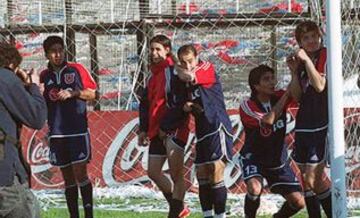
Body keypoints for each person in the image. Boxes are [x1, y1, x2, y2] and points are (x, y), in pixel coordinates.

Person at [40, 36, 97, 218]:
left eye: (60, 50)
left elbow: (93, 94)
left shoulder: (76, 69)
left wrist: (74, 93)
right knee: (67, 178)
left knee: (80, 173)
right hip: (57, 133)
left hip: (77, 131)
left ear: (65, 50)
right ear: (47, 54)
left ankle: (89, 215)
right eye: (53, 51)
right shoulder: (44, 76)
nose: (57, 54)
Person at [174, 44, 233, 218]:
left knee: (216, 169)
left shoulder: (205, 67)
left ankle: (220, 216)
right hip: (202, 129)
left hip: (216, 125)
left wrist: (175, 66)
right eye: (183, 62)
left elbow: (188, 75)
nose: (188, 65)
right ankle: (208, 215)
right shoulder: (184, 81)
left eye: (190, 61)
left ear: (197, 57)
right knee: (202, 174)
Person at [239, 64, 305, 218]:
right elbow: (268, 121)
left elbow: (297, 96)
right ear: (256, 86)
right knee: (255, 188)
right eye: (266, 79)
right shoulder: (247, 105)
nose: (272, 82)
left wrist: (294, 72)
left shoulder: (280, 96)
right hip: (254, 157)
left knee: (298, 202)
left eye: (272, 78)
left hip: (277, 160)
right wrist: (285, 96)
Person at [138, 35, 190, 218]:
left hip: (174, 128)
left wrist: (166, 126)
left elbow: (180, 103)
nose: (154, 53)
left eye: (158, 49)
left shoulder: (173, 71)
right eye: (151, 49)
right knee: (153, 172)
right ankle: (179, 207)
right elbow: (145, 104)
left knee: (176, 175)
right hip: (156, 130)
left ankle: (175, 213)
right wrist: (143, 128)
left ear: (167, 50)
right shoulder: (153, 75)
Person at [287, 20, 332, 217]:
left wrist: (306, 61)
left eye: (314, 36)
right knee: (307, 181)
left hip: (321, 123)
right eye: (306, 38)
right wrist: (294, 71)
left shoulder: (324, 55)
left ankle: (336, 213)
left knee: (313, 179)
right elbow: (297, 96)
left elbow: (320, 85)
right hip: (304, 123)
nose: (312, 41)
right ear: (300, 42)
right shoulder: (303, 62)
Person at [0, 42, 47, 218]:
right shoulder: (5, 77)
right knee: (25, 207)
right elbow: (36, 118)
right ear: (12, 64)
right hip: (4, 175)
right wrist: (33, 87)